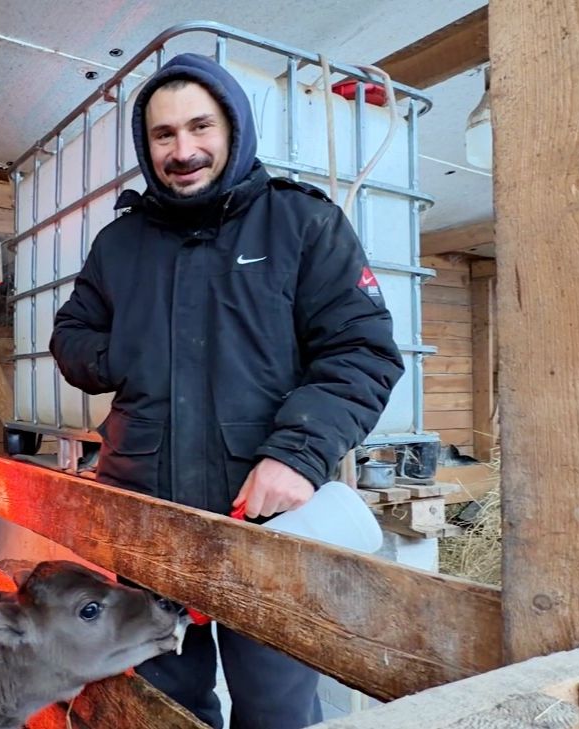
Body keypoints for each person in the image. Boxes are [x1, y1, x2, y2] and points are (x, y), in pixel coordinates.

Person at [48, 52, 405, 729]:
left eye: (200, 127)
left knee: (274, 706)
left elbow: (361, 351)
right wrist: (124, 350)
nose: (183, 150)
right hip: (146, 518)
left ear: (233, 129)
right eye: (163, 135)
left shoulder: (301, 223)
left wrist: (297, 453)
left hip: (265, 520)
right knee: (160, 702)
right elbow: (71, 337)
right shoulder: (121, 243)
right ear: (144, 144)